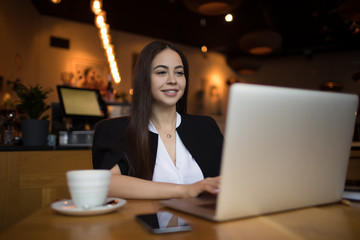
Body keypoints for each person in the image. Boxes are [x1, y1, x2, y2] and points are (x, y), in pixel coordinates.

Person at [92, 40, 223, 199]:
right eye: (161, 72)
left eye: (179, 72)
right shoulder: (118, 130)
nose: (172, 80)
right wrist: (186, 190)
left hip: (206, 223)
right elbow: (106, 184)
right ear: (144, 78)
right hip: (142, 224)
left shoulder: (205, 127)